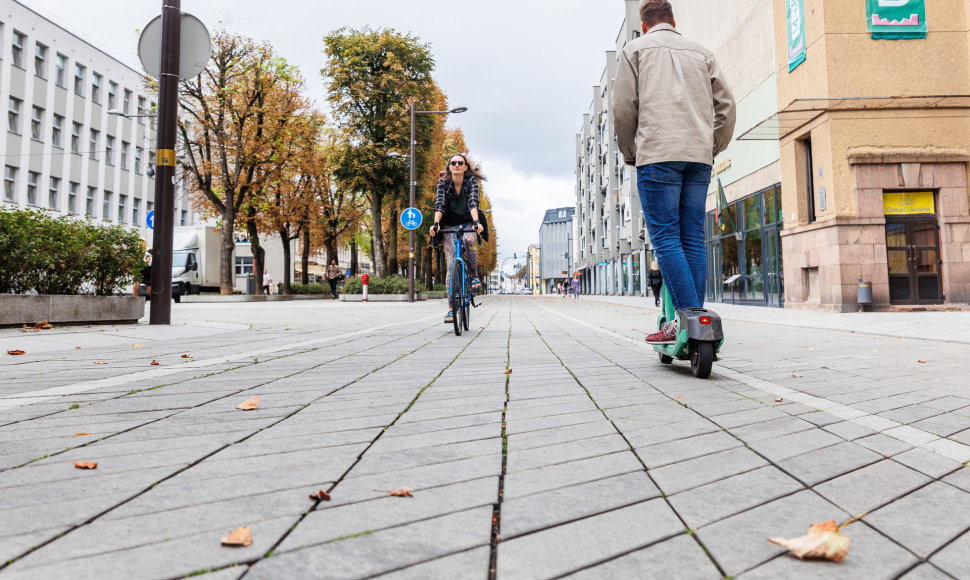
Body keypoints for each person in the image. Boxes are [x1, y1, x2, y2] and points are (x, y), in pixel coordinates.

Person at [613, 0, 736, 344]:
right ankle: (698, 319)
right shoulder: (702, 53)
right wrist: (713, 145)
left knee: (666, 237)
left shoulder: (635, 49)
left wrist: (629, 151)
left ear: (644, 24)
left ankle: (686, 321)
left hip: (657, 154)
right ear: (673, 21)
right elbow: (727, 107)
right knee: (693, 237)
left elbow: (624, 108)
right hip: (698, 157)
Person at [429, 154, 486, 324]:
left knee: (469, 240)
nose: (456, 165)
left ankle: (474, 275)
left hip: (468, 221)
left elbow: (473, 203)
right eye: (453, 163)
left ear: (465, 167)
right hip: (448, 225)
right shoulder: (443, 183)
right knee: (450, 266)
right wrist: (436, 224)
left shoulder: (471, 183)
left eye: (460, 163)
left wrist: (476, 222)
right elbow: (440, 204)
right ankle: (451, 309)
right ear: (449, 167)